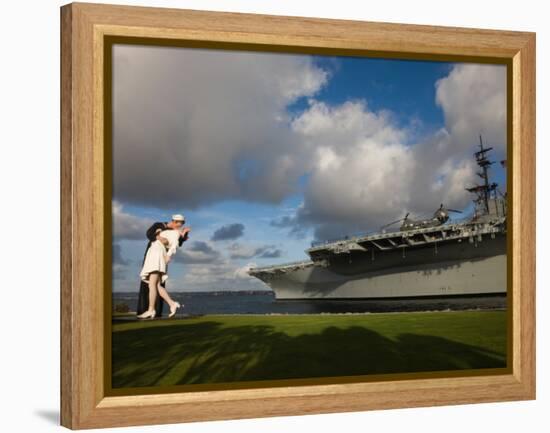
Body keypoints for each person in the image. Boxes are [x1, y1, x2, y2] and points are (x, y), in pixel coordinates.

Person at [136, 214, 190, 317]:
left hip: (157, 255)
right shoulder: (160, 225)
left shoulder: (175, 232)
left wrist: (168, 256)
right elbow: (149, 234)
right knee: (155, 285)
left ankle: (151, 310)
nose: (179, 227)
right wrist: (159, 237)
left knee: (152, 284)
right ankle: (172, 304)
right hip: (152, 254)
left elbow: (175, 245)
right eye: (178, 224)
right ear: (173, 221)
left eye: (181, 225)